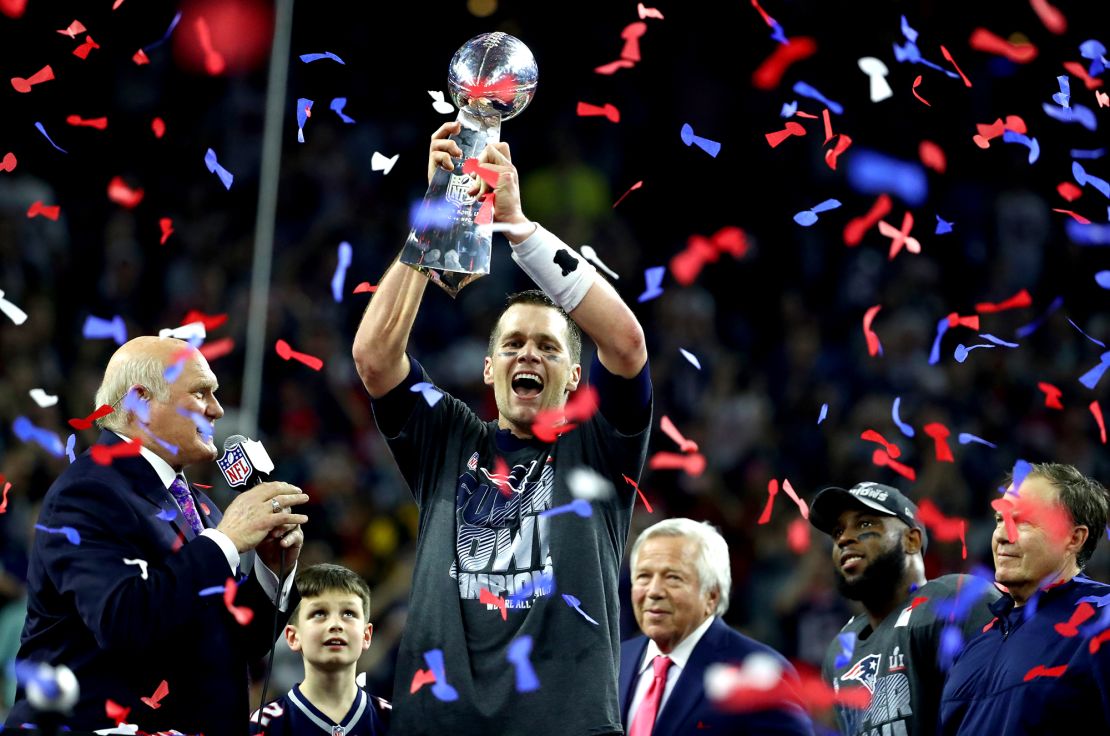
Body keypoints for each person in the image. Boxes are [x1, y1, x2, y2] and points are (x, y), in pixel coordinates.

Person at [352, 122, 652, 735]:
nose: (528, 356)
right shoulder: (450, 438)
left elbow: (625, 343)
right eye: (512, 344)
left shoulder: (598, 447)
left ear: (573, 378)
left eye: (548, 347)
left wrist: (517, 227)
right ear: (489, 369)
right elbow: (375, 358)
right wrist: (435, 219)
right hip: (438, 726)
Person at [5, 336, 308, 734]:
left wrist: (270, 572)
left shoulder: (200, 508)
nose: (217, 410)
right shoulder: (89, 492)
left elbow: (228, 641)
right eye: (201, 393)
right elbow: (122, 619)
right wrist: (225, 542)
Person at [809, 481, 1000, 736]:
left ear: (911, 540)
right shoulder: (840, 651)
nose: (844, 538)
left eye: (865, 524)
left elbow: (1002, 710)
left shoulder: (954, 600)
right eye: (837, 532)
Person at [939, 463, 1110, 735]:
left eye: (1024, 522)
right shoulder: (975, 645)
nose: (1002, 536)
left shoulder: (1103, 618)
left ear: (1074, 538)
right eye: (999, 519)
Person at [618, 518, 814, 735]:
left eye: (673, 577)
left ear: (711, 595)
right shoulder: (616, 662)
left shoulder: (760, 673)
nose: (654, 591)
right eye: (643, 576)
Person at [250, 563, 387, 735]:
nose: (336, 624)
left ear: (366, 636)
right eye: (319, 613)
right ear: (293, 637)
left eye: (349, 613)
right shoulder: (261, 726)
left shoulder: (397, 721)